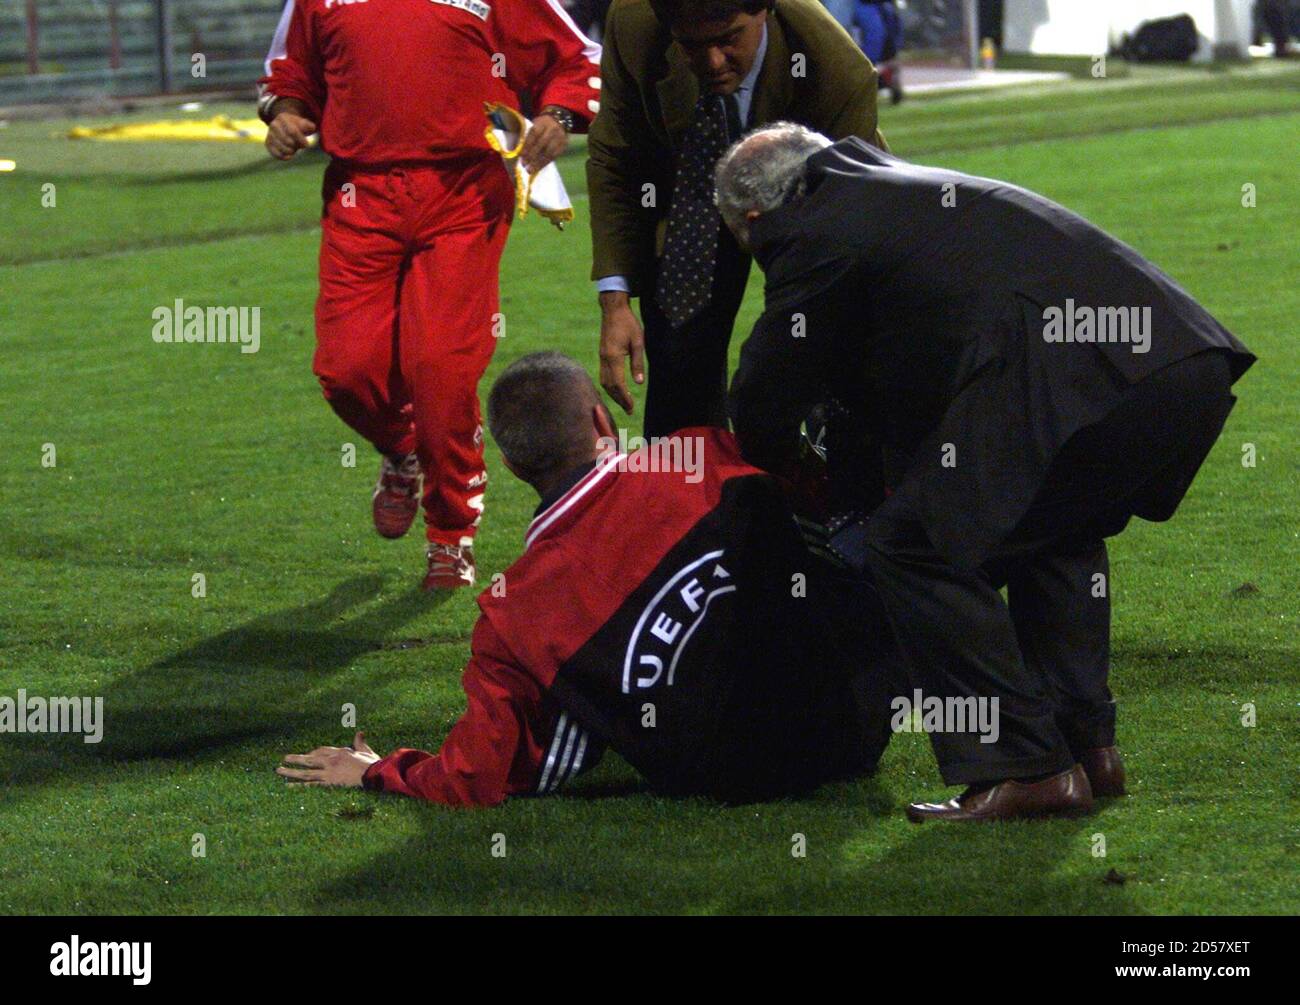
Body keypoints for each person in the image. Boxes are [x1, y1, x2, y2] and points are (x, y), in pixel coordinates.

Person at [715, 124, 1256, 823]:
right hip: (1181, 366)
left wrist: (774, 456)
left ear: (755, 220)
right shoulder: (892, 188)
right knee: (1050, 534)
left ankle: (1023, 764)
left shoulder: (811, 228)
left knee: (911, 544)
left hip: (1080, 381)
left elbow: (768, 387)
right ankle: (1086, 748)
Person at [277, 352, 900, 806]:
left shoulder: (511, 615)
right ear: (602, 424)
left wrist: (378, 770)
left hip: (741, 781)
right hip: (864, 715)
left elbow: (479, 776)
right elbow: (826, 507)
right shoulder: (700, 454)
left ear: (516, 465)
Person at [257, 0, 601, 590]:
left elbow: (575, 57)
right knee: (345, 371)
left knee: (440, 366)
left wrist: (559, 116)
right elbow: (290, 74)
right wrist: (285, 114)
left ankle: (451, 534)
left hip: (464, 192)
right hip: (360, 193)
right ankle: (403, 450)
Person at [588, 0, 886, 439]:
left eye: (729, 39)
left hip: (811, 197)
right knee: (678, 351)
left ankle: (836, 478)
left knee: (830, 349)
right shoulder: (635, 23)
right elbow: (616, 156)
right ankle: (691, 495)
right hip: (689, 191)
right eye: (691, 45)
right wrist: (615, 303)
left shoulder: (831, 66)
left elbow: (846, 222)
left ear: (764, 9)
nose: (710, 62)